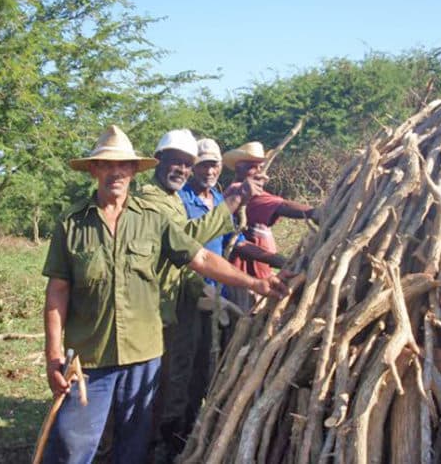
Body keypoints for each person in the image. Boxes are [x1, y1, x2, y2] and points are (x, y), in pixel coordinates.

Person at [41, 125, 288, 464]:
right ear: (94, 169)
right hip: (90, 357)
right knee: (72, 445)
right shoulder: (72, 224)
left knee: (134, 445)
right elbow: (57, 290)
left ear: (132, 170)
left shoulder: (152, 219)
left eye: (123, 166)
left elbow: (199, 256)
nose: (115, 172)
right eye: (107, 165)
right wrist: (53, 352)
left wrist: (257, 284)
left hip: (144, 351)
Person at [137, 130, 264, 462]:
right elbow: (191, 247)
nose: (202, 170)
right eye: (177, 162)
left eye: (187, 162)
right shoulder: (161, 200)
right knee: (169, 374)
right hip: (170, 299)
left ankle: (180, 434)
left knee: (200, 368)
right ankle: (158, 442)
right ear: (158, 161)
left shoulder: (207, 197)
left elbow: (223, 245)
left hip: (201, 291)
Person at [222, 141, 318, 309]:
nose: (259, 171)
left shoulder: (245, 191)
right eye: (253, 166)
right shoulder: (241, 191)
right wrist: (317, 213)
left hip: (255, 278)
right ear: (239, 169)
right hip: (246, 280)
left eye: (261, 166)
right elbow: (282, 206)